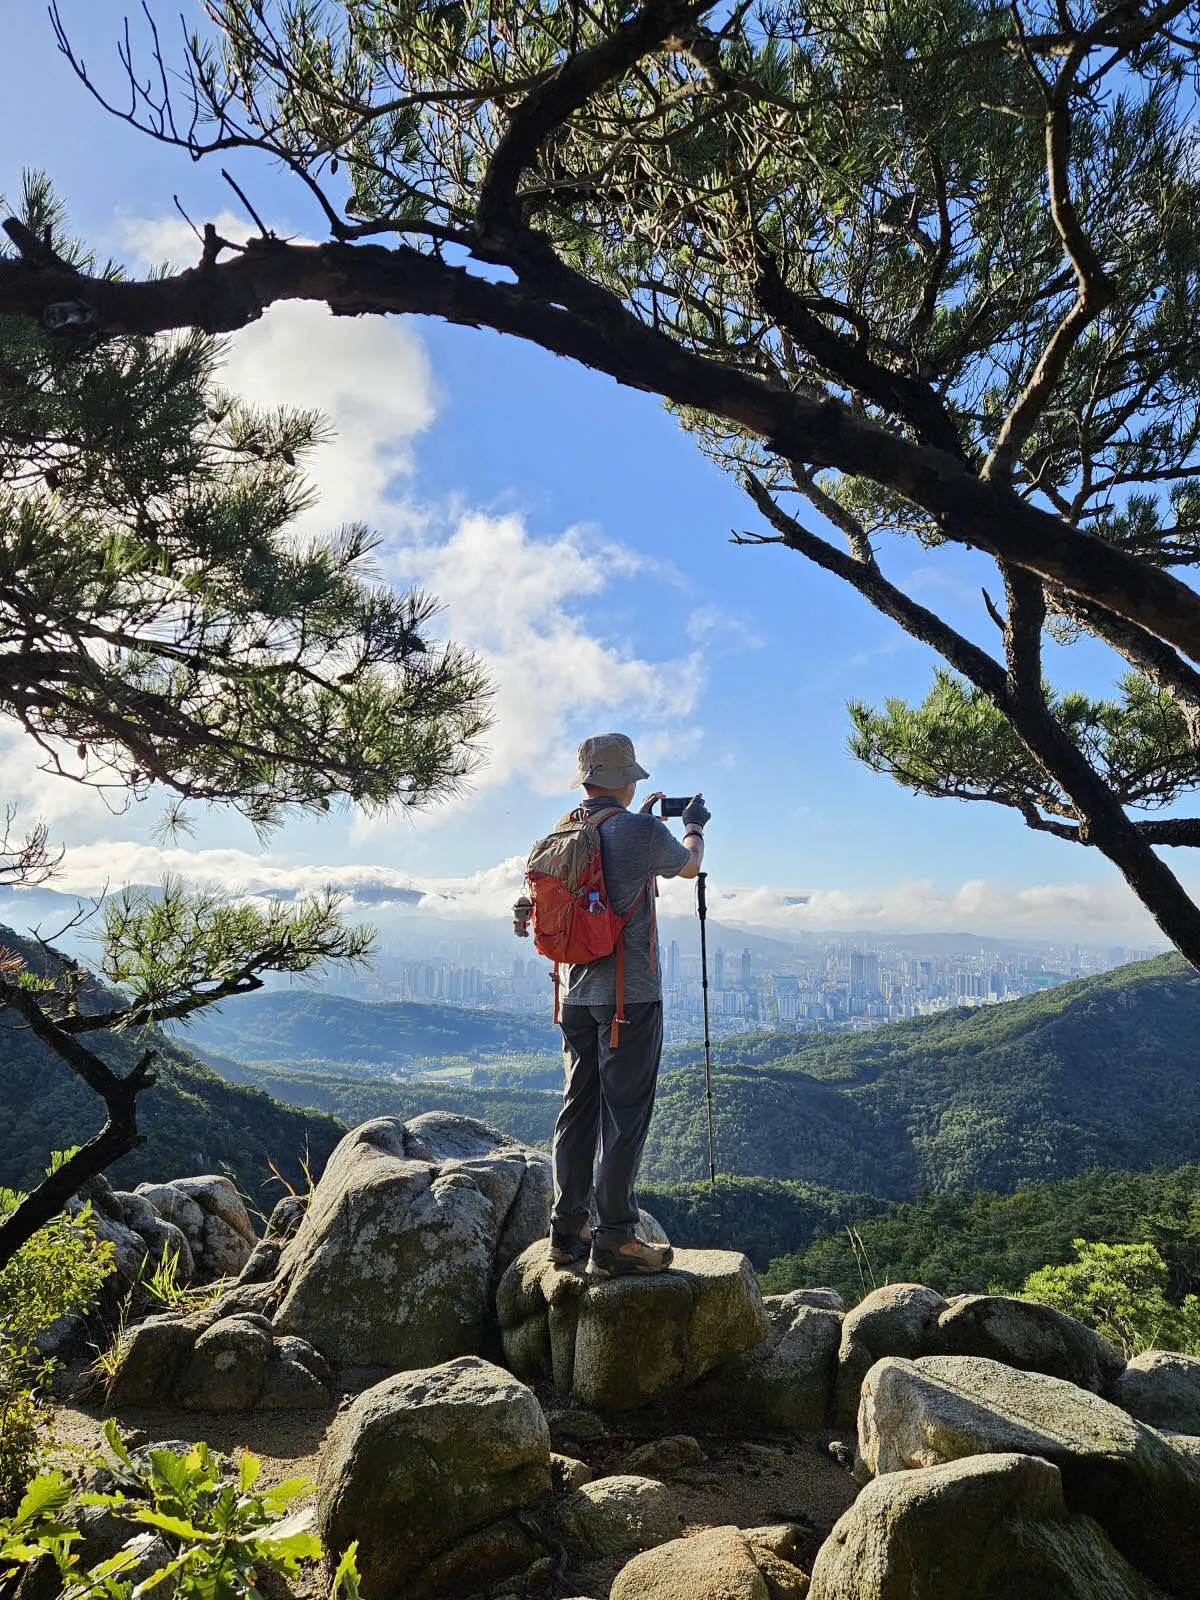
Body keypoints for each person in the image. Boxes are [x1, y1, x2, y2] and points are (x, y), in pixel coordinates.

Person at [513, 732, 709, 1277]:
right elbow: (688, 866)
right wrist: (692, 826)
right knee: (625, 1115)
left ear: (586, 780)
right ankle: (618, 1238)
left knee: (577, 1110)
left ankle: (566, 1231)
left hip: (573, 994)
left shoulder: (560, 832)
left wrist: (647, 823)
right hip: (629, 996)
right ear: (627, 780)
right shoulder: (641, 830)